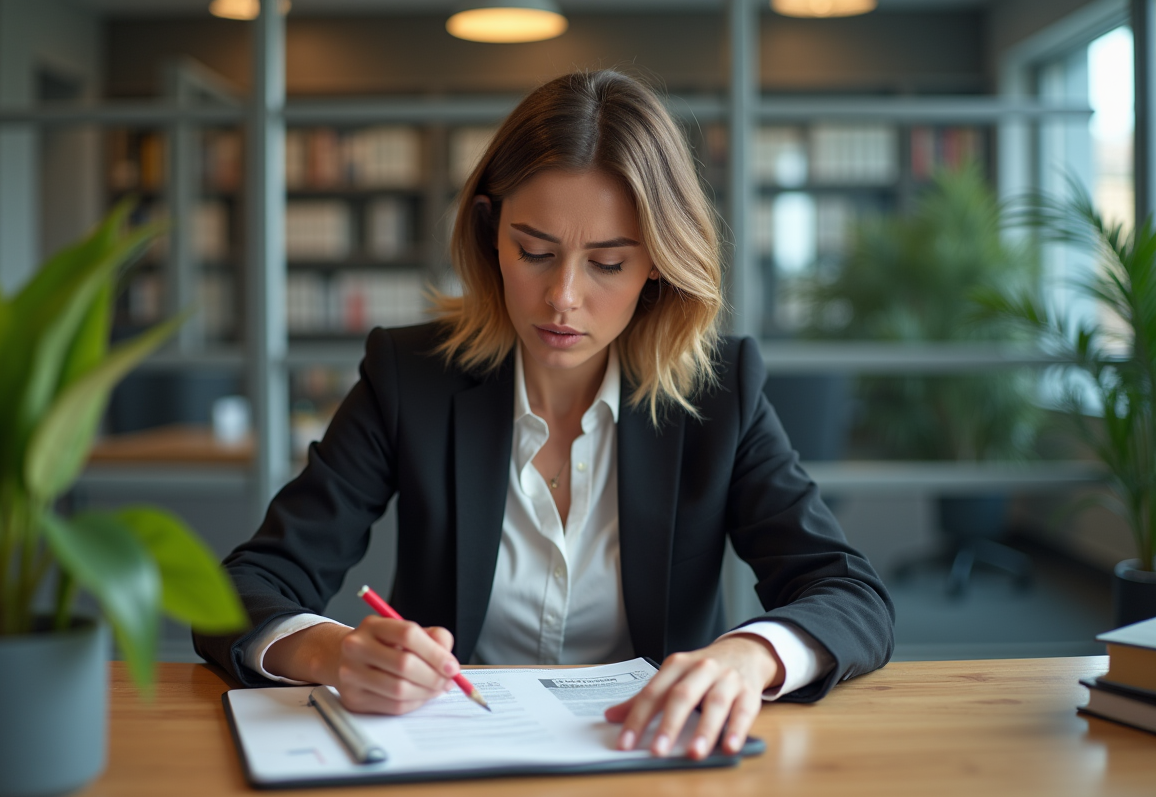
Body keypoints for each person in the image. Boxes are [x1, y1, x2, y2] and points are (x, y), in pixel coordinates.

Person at [194, 69, 893, 761]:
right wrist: (332, 652)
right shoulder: (411, 378)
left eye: (608, 264)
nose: (562, 298)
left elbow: (850, 594)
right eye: (535, 252)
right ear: (491, 233)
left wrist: (748, 657)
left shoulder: (717, 391)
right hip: (452, 758)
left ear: (657, 262)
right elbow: (244, 587)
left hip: (652, 762)